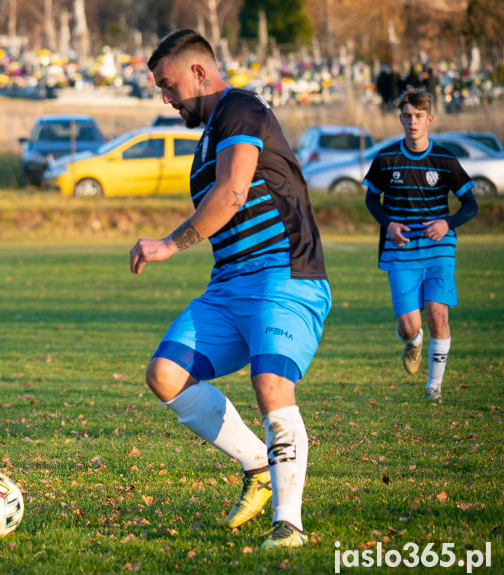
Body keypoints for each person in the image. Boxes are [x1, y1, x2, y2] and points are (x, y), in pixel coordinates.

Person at [129, 29, 331, 549]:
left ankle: (289, 525)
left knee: (270, 385)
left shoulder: (240, 107)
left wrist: (170, 245)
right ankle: (258, 463)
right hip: (229, 285)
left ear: (200, 73)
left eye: (169, 85)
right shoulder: (208, 136)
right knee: (166, 374)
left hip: (284, 275)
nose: (166, 98)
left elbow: (234, 191)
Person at [363, 88, 477, 400]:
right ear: (400, 118)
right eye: (407, 116)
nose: (412, 122)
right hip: (401, 251)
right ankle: (413, 342)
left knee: (437, 314)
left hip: (439, 250)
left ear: (430, 119)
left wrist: (447, 223)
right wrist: (389, 224)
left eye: (418, 116)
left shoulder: (445, 160)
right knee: (409, 326)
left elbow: (471, 205)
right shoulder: (387, 159)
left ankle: (434, 388)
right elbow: (371, 199)